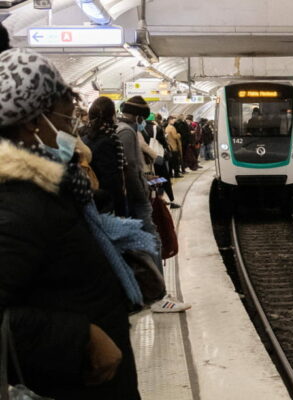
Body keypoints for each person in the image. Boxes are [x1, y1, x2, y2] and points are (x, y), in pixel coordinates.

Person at [0, 47, 140, 399]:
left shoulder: (50, 188)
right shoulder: (18, 202)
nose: (72, 133)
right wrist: (81, 338)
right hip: (68, 381)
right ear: (33, 121)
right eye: (65, 121)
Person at [118, 97, 190, 313]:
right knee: (153, 242)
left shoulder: (121, 129)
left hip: (131, 198)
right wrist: (143, 192)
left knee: (140, 244)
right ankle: (159, 296)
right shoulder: (128, 132)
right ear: (139, 116)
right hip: (137, 199)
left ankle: (145, 291)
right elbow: (130, 168)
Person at [82, 97, 128, 215]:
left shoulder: (84, 137)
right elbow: (111, 179)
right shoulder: (109, 140)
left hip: (91, 196)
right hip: (106, 203)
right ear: (112, 116)